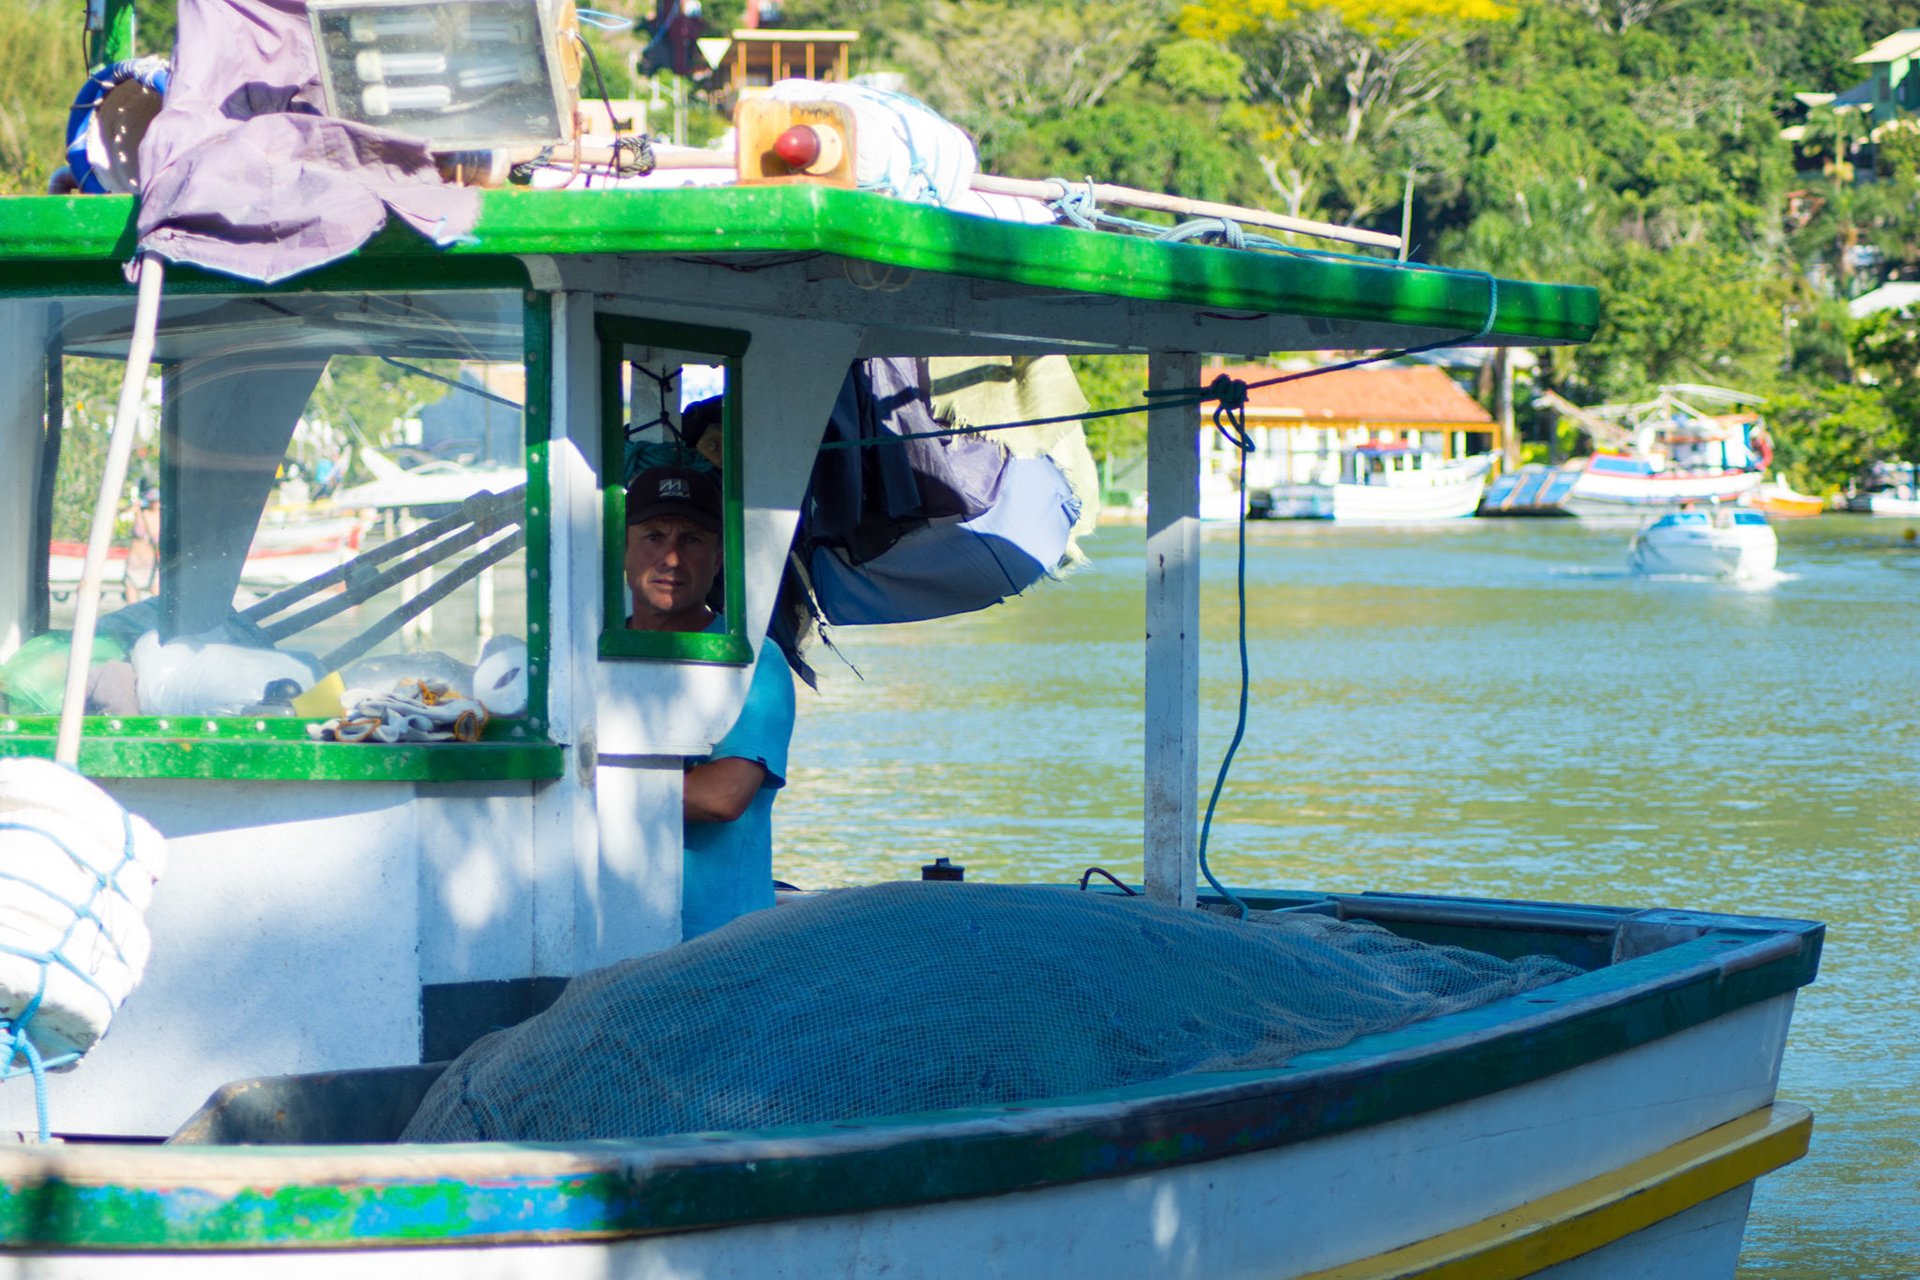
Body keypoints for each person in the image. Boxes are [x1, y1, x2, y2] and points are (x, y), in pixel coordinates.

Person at [624, 464, 796, 940]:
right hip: (608, 938)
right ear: (621, 548)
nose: (671, 558)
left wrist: (578, 780)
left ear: (719, 557)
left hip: (721, 948)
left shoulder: (752, 660)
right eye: (653, 536)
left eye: (692, 539)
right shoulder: (590, 651)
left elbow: (722, 796)